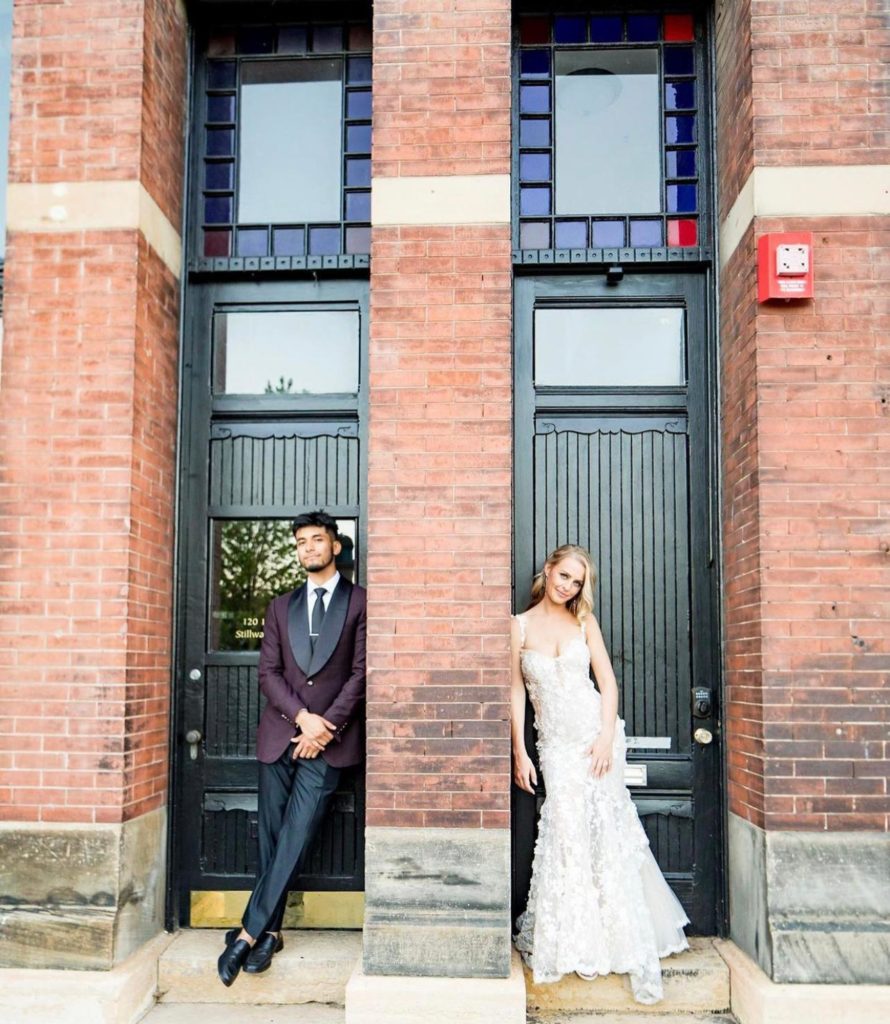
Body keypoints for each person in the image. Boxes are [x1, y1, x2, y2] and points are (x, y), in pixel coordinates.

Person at [511, 544, 688, 1004]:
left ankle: (620, 938)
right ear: (547, 570)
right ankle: (572, 940)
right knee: (566, 832)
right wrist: (519, 751)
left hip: (594, 740)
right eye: (563, 575)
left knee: (607, 833)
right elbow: (515, 692)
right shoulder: (519, 627)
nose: (567, 586)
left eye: (576, 581)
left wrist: (607, 736)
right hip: (554, 747)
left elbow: (607, 682)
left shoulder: (584, 623)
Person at [218, 510, 367, 986]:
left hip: (329, 743)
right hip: (281, 734)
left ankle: (246, 933)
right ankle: (270, 932)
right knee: (272, 840)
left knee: (296, 834)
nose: (308, 548)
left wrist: (325, 728)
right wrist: (302, 719)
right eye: (301, 542)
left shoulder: (361, 602)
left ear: (335, 546)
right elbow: (268, 674)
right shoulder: (280, 607)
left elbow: (361, 674)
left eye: (316, 540)